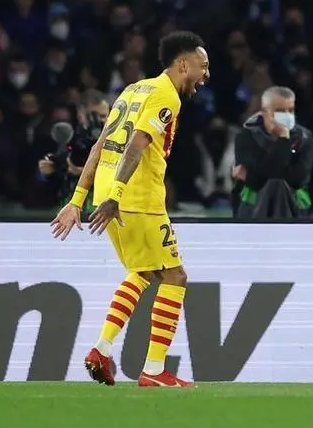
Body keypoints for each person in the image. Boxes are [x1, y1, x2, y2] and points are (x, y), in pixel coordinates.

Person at [49, 31, 209, 388]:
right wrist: (116, 196)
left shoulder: (133, 89)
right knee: (175, 276)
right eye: (202, 66)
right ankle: (154, 370)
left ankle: (102, 350)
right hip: (135, 198)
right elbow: (136, 146)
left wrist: (78, 201)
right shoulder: (166, 96)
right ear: (183, 64)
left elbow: (99, 146)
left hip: (110, 193)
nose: (205, 74)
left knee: (142, 270)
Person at [232, 86, 313, 218]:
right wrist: (283, 141)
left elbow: (299, 179)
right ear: (265, 112)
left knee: (277, 184)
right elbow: (254, 182)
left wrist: (283, 138)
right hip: (253, 208)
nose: (287, 116)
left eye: (291, 110)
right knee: (274, 184)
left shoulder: (305, 138)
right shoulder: (247, 137)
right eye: (281, 111)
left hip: (294, 207)